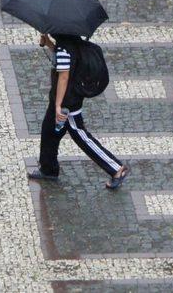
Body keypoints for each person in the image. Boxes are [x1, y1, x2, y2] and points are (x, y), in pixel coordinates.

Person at [27, 33, 130, 189]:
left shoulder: (63, 48)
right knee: (49, 131)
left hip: (67, 103)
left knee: (81, 136)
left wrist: (58, 105)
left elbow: (63, 76)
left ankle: (116, 168)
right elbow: (66, 60)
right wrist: (48, 43)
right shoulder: (71, 43)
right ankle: (48, 168)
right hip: (67, 98)